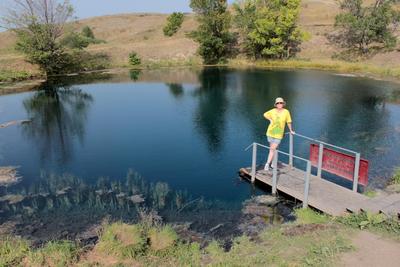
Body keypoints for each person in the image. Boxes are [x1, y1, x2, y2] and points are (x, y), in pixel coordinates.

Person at [263, 97, 295, 171]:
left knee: (272, 149)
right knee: (273, 149)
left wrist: (291, 130)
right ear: (276, 104)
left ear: (283, 104)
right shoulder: (272, 111)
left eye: (281, 103)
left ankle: (267, 164)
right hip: (270, 132)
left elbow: (288, 122)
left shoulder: (286, 112)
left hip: (279, 134)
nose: (279, 104)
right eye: (278, 103)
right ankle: (273, 163)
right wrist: (270, 119)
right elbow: (264, 114)